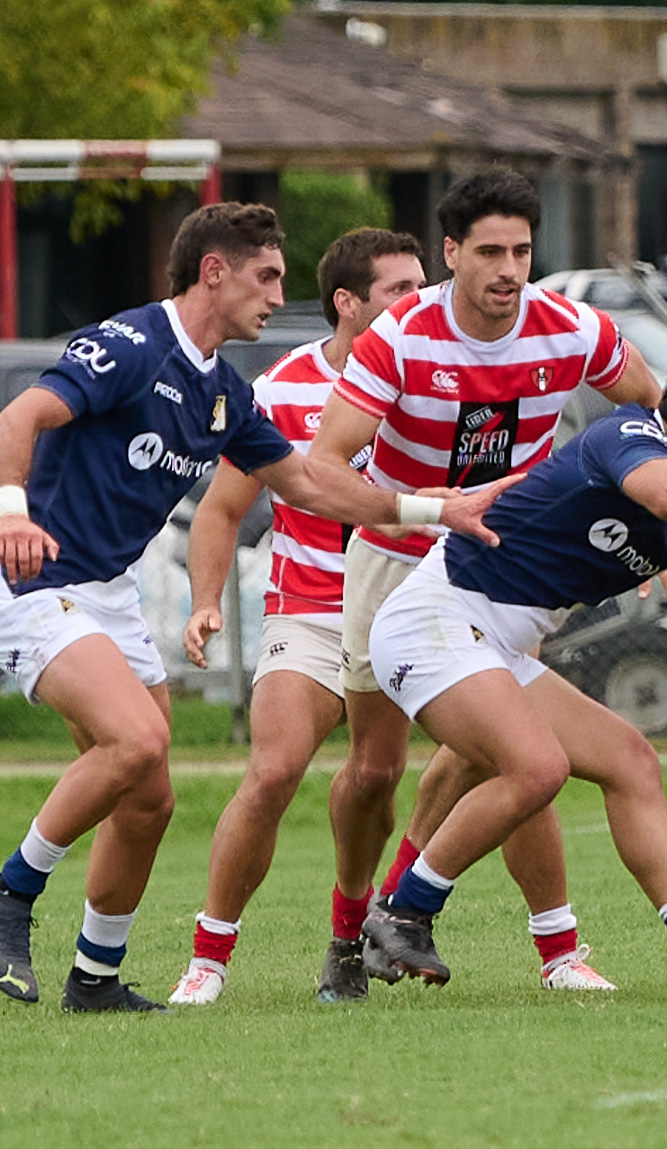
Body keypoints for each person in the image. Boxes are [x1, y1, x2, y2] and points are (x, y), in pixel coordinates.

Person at [0, 203, 510, 1012]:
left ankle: (94, 977)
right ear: (214, 272)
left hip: (109, 593)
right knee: (137, 740)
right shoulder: (133, 344)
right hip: (35, 578)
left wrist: (433, 508)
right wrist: (11, 511)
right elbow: (20, 414)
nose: (278, 293)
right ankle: (10, 896)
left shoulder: (226, 395)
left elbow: (309, 482)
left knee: (150, 797)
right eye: (265, 275)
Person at [307, 169, 663, 997]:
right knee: (374, 771)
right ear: (451, 253)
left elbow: (647, 409)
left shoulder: (570, 327)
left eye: (523, 251)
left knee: (513, 755)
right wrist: (434, 506)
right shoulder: (399, 336)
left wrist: (663, 536)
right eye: (492, 251)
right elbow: (324, 467)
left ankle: (557, 951)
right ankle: (352, 931)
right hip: (396, 557)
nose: (509, 268)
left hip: (507, 566)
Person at [361, 347, 667, 992]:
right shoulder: (630, 432)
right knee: (537, 767)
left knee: (631, 761)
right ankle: (402, 911)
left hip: (493, 643)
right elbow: (666, 491)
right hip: (432, 620)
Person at [168, 227, 432, 1006]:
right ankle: (207, 959)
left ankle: (360, 936)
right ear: (349, 304)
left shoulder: (445, 379)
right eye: (400, 291)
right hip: (312, 608)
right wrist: (208, 602)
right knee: (276, 768)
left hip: (412, 608)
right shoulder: (281, 390)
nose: (419, 305)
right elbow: (219, 511)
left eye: (424, 287)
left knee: (478, 762)